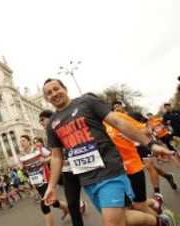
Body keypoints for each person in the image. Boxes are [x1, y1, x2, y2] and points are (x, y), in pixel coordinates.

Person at [42, 78, 174, 226]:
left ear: (64, 88)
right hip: (87, 179)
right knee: (123, 218)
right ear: (47, 99)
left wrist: (151, 144)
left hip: (109, 171)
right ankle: (162, 222)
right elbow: (56, 157)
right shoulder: (52, 124)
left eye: (56, 89)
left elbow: (118, 122)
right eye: (49, 93)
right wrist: (51, 186)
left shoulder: (86, 102)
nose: (54, 94)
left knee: (112, 223)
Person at [39, 109, 86, 226]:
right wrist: (52, 185)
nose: (41, 123)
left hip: (82, 167)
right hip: (67, 171)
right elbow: (55, 156)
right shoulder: (49, 135)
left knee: (101, 199)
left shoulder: (65, 126)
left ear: (51, 118)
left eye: (42, 120)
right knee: (72, 205)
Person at [18, 134, 69, 226]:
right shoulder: (21, 157)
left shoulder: (39, 149)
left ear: (29, 141)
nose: (21, 143)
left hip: (46, 180)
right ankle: (72, 210)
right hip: (36, 183)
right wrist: (22, 169)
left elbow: (54, 155)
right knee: (53, 202)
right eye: (20, 141)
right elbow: (24, 170)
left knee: (44, 205)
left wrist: (45, 160)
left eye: (23, 141)